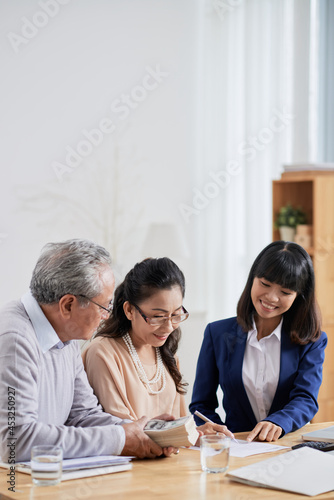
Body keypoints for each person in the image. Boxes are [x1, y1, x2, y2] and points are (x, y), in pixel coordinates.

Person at [0, 239, 177, 462]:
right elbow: (16, 441)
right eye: (105, 307)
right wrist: (120, 439)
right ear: (68, 305)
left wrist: (147, 432)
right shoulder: (14, 339)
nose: (107, 316)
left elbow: (83, 415)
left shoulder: (66, 333)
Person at [190, 241, 327, 442]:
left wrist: (279, 422)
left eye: (286, 292)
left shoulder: (311, 340)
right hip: (237, 447)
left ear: (299, 296)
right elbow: (201, 405)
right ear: (252, 278)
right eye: (265, 284)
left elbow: (306, 399)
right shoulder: (217, 333)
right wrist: (214, 432)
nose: (271, 297)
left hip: (289, 445)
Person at [83, 257, 234, 440]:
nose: (169, 327)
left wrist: (197, 433)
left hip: (167, 462)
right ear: (129, 310)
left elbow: (178, 426)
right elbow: (121, 431)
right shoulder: (102, 353)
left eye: (176, 315)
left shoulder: (167, 354)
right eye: (158, 317)